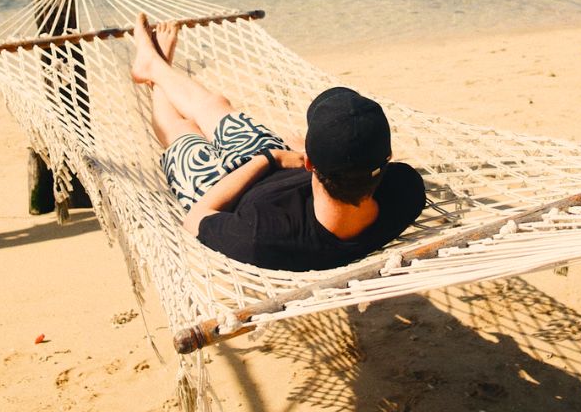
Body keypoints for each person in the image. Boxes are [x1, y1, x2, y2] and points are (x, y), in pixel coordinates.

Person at [131, 14, 425, 271]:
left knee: (182, 129)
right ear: (386, 159)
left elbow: (196, 219)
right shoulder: (405, 189)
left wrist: (272, 158)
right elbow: (358, 166)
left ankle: (156, 70)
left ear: (311, 163)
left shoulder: (265, 236)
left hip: (222, 190)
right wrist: (296, 155)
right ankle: (155, 65)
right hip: (280, 161)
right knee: (215, 104)